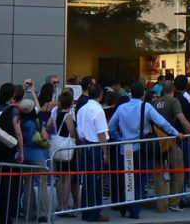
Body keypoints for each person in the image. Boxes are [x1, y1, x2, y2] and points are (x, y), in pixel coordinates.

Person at [108, 82, 180, 219]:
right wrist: (176, 133)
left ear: (130, 94)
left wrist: (119, 139)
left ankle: (124, 203)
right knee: (141, 178)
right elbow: (162, 122)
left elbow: (111, 126)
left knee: (128, 177)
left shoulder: (122, 108)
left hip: (125, 148)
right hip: (141, 147)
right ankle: (133, 208)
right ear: (142, 95)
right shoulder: (146, 107)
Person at [153, 75, 190, 212]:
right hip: (170, 140)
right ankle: (174, 202)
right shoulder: (174, 101)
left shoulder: (156, 102)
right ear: (173, 88)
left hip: (156, 140)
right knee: (178, 171)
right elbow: (183, 120)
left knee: (159, 173)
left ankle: (161, 204)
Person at [0, 84, 25, 224]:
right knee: (5, 183)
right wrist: (21, 151)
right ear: (13, 95)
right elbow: (18, 132)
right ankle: (3, 216)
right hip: (6, 148)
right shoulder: (13, 111)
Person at [76, 83, 110, 223]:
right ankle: (94, 212)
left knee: (88, 180)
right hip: (95, 146)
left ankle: (87, 211)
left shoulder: (82, 109)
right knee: (95, 181)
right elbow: (101, 133)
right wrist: (105, 152)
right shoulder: (98, 110)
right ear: (101, 95)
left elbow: (79, 130)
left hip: (85, 144)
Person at [49, 89, 80, 217]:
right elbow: (72, 133)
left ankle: (59, 205)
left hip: (58, 148)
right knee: (67, 178)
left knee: (60, 178)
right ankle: (65, 206)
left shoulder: (56, 114)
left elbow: (48, 125)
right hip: (67, 148)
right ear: (71, 103)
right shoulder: (68, 116)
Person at [19, 97, 48, 221]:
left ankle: (28, 212)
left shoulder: (19, 122)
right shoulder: (37, 122)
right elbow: (45, 136)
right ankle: (42, 213)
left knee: (28, 184)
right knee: (42, 184)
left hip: (24, 153)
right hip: (37, 154)